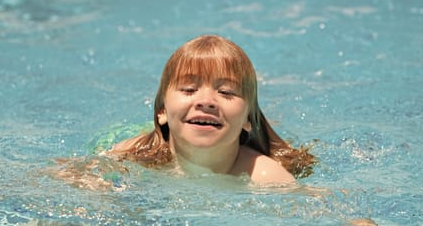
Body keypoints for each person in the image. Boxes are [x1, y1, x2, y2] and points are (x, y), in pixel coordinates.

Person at [71, 34, 315, 188]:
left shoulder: (264, 175)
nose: (206, 101)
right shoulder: (136, 155)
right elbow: (68, 178)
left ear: (248, 120)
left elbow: (325, 214)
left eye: (227, 92)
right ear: (162, 112)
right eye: (189, 89)